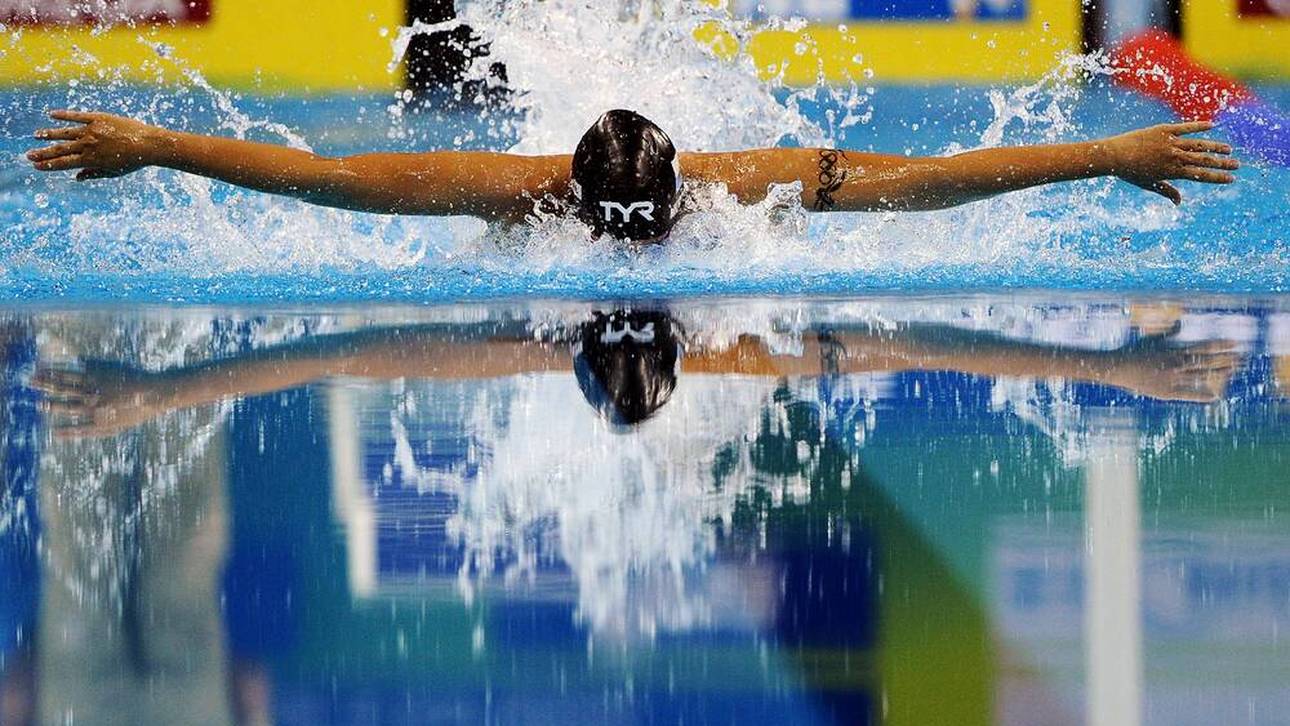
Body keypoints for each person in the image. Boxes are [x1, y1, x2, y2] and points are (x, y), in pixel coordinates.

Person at [26, 107, 1238, 243]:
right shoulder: (505, 190)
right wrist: (155, 145)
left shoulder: (742, 183)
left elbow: (936, 179)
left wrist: (1108, 153)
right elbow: (326, 179)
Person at [32, 308, 1239, 438]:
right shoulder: (744, 346)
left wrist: (158, 393)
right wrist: (1109, 370)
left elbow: (334, 353)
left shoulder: (740, 323)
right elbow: (928, 342)